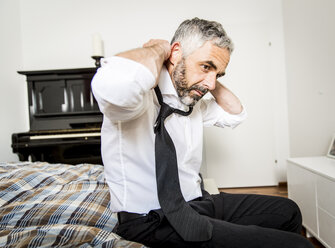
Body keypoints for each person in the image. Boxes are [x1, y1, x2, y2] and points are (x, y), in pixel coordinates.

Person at [92, 18, 313, 248]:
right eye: (206, 66)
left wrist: (209, 77)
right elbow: (116, 86)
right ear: (176, 53)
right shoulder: (137, 101)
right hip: (152, 219)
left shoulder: (190, 102)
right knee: (300, 246)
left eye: (218, 74)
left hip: (197, 203)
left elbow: (235, 114)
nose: (210, 83)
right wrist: (159, 49)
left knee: (288, 211)